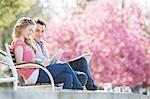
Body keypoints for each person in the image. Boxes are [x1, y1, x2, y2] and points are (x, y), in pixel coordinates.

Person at [11, 17, 83, 90]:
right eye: (30, 30)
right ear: (21, 28)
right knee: (65, 66)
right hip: (31, 75)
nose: (31, 33)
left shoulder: (25, 43)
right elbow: (19, 64)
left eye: (32, 31)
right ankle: (79, 87)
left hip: (37, 71)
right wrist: (37, 65)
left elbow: (27, 60)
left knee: (67, 77)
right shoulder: (18, 43)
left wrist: (39, 63)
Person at [32, 17, 98, 90]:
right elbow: (39, 61)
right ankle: (87, 88)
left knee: (82, 64)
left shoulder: (42, 44)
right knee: (80, 73)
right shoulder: (31, 44)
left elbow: (47, 60)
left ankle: (91, 87)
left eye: (42, 31)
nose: (40, 34)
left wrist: (56, 61)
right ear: (32, 30)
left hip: (53, 67)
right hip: (47, 70)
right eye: (37, 31)